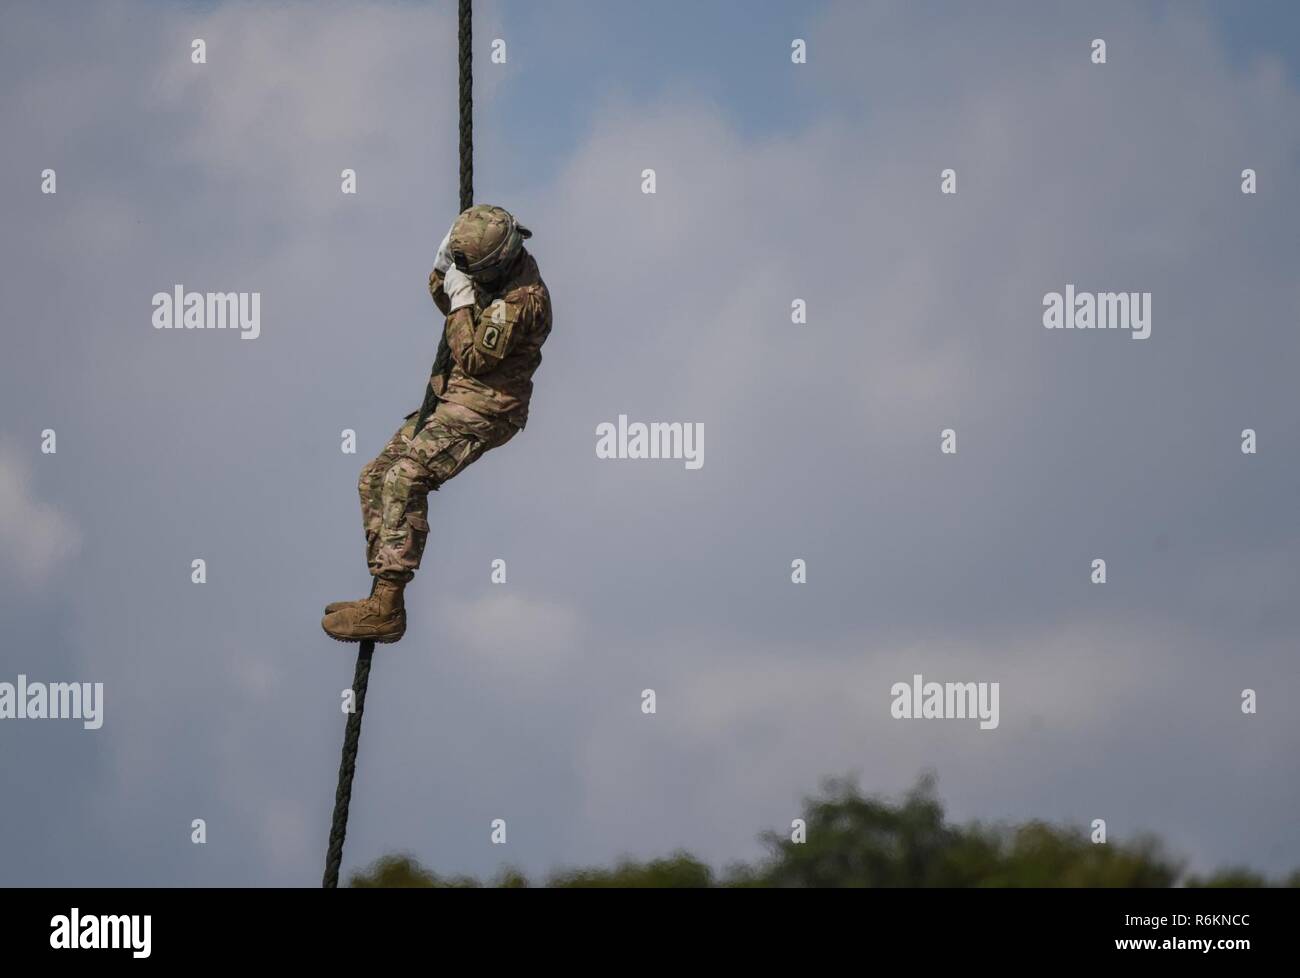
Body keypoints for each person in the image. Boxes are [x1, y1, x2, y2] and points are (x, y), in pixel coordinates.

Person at [322, 204, 552, 643]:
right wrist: (444, 267)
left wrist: (463, 298)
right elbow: (447, 301)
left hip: (486, 410)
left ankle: (389, 606)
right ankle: (381, 591)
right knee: (374, 477)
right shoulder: (490, 271)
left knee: (405, 479)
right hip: (452, 397)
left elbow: (473, 356)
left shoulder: (521, 300)